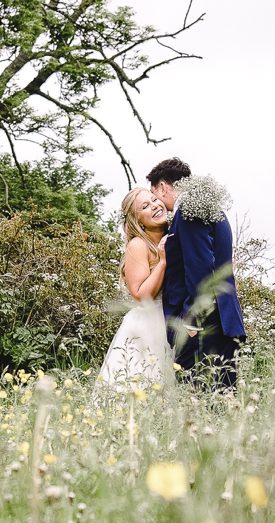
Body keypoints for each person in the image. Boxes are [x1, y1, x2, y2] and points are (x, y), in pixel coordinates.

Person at [147, 156, 245, 389]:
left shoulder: (189, 210)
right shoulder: (212, 208)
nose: (158, 203)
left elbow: (200, 266)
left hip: (203, 326)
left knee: (197, 400)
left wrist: (191, 320)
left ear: (163, 186)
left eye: (154, 195)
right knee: (221, 396)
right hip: (221, 319)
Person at [98, 186, 172, 386]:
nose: (155, 206)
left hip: (172, 319)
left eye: (155, 200)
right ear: (137, 220)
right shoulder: (139, 245)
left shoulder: (173, 235)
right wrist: (163, 261)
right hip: (149, 325)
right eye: (146, 206)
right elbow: (140, 295)